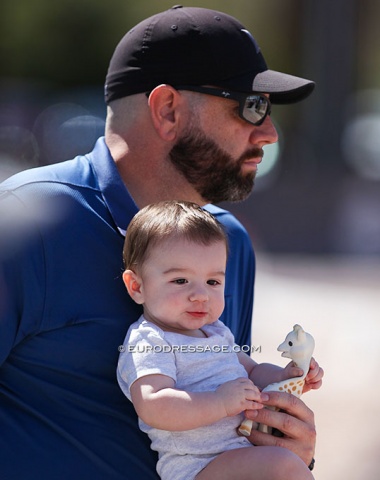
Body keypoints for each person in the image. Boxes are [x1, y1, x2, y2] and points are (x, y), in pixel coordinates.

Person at [0, 6, 319, 480]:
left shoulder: (228, 241)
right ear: (167, 109)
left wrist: (288, 446)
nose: (269, 132)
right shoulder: (25, 220)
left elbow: (226, 398)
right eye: (252, 105)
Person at [117, 200, 323, 480]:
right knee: (282, 465)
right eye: (180, 281)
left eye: (213, 282)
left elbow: (252, 371)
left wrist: (289, 376)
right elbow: (153, 404)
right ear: (137, 286)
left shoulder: (215, 332)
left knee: (283, 463)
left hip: (237, 451)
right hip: (197, 465)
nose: (200, 295)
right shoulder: (150, 341)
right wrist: (220, 403)